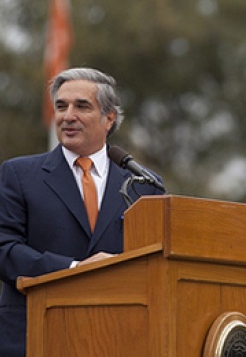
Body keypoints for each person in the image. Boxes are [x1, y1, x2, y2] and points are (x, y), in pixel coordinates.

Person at [0, 67, 164, 357]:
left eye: (82, 106)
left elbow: (155, 268)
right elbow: (5, 251)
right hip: (34, 336)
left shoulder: (143, 185)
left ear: (109, 118)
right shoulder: (18, 174)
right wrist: (75, 269)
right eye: (61, 106)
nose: (67, 115)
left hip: (116, 339)